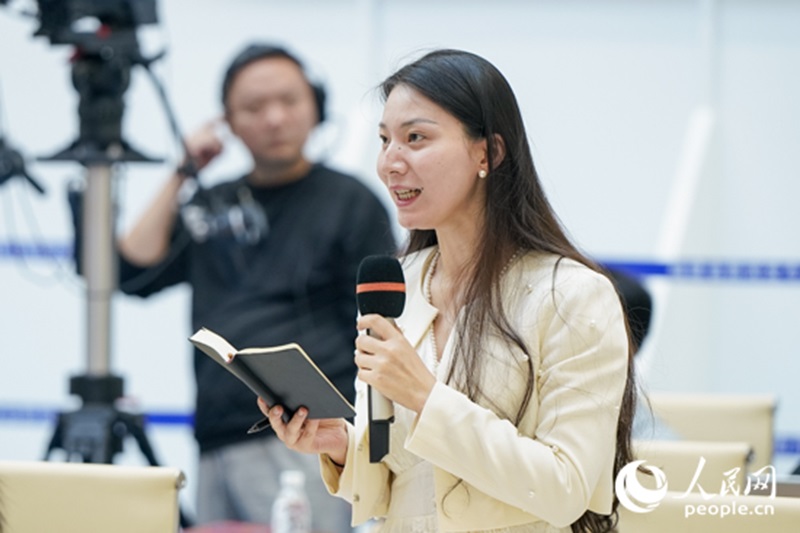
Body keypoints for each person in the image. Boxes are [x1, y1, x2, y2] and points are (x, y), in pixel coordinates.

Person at [258, 49, 638, 532]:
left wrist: (425, 396)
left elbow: (566, 489)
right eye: (384, 140)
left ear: (488, 153)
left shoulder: (572, 296)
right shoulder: (395, 283)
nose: (390, 163)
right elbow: (403, 479)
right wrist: (340, 447)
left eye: (415, 138)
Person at [116, 43, 396, 532]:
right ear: (229, 122)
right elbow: (132, 270)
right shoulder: (212, 202)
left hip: (307, 433)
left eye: (289, 101)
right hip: (216, 433)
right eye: (253, 107)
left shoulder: (351, 201)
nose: (274, 118)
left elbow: (384, 324)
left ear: (316, 106)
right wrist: (184, 171)